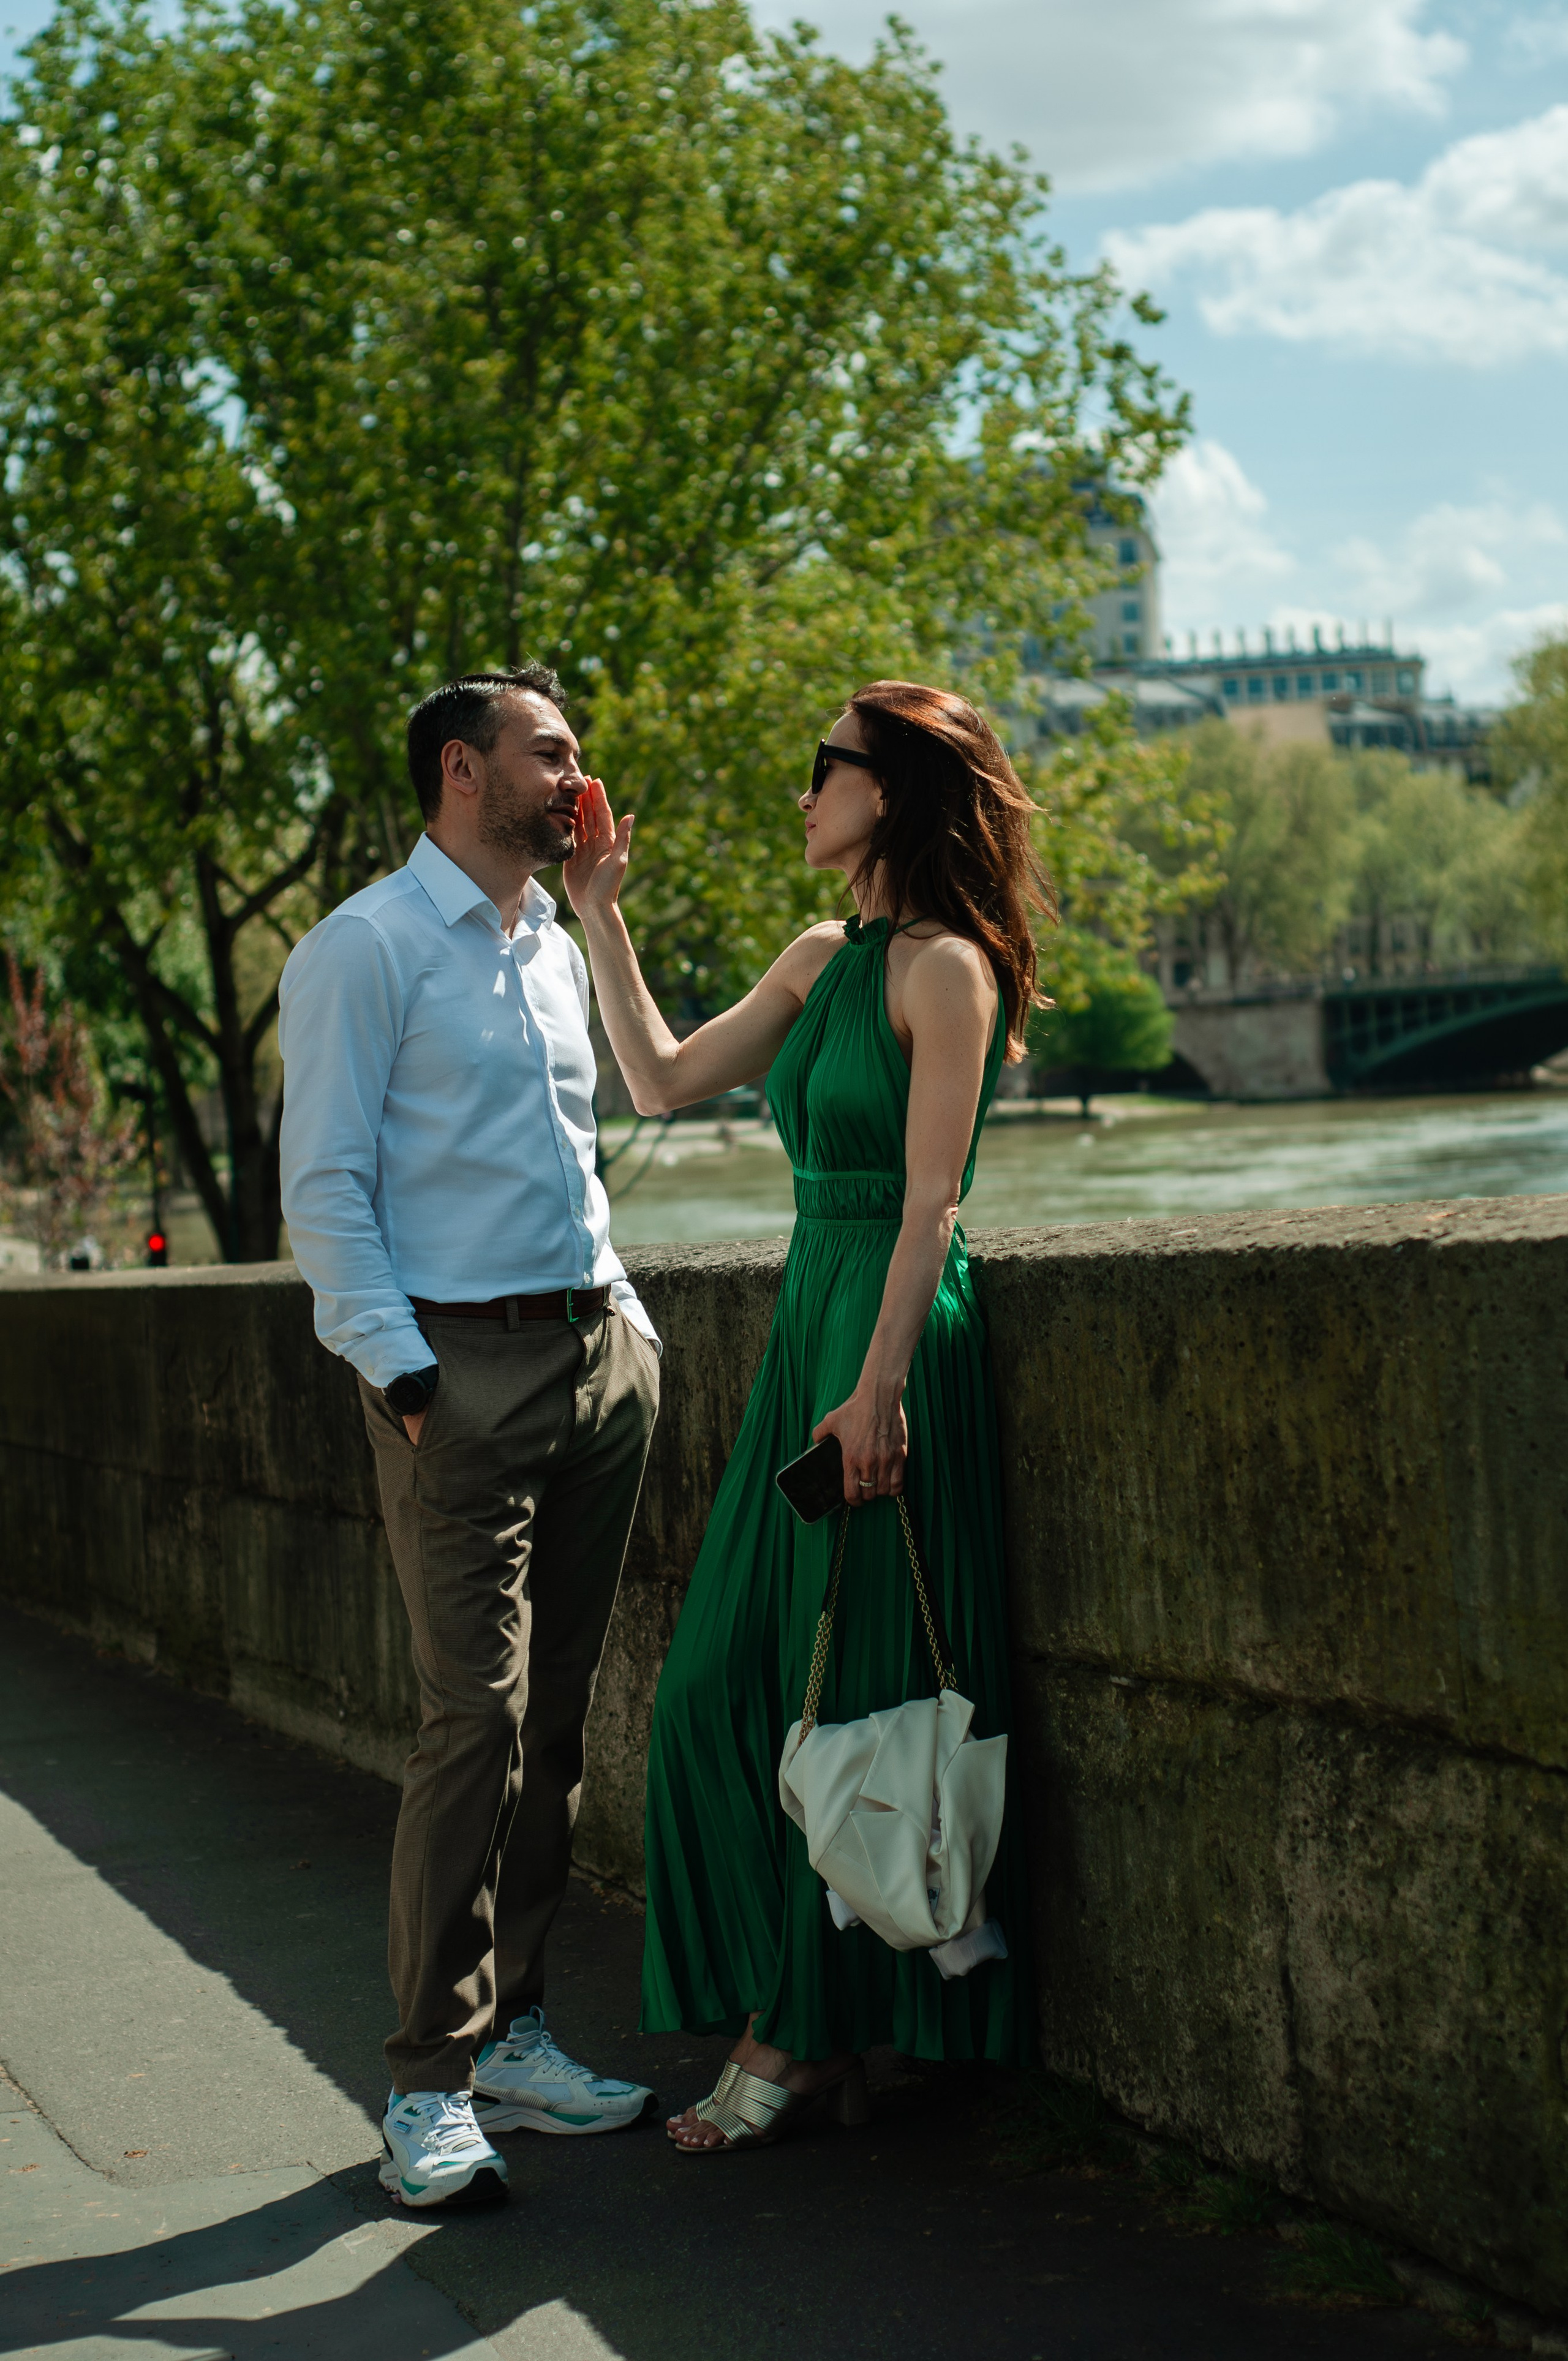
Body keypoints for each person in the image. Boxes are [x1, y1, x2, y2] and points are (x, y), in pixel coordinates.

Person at [568, 678, 1052, 2152]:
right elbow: (653, 1080)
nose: (803, 792)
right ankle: (823, 2011)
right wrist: (598, 906)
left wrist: (879, 1384)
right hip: (810, 1318)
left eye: (822, 766)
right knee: (723, 1681)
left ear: (893, 790)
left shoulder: (944, 969)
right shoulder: (819, 952)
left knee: (857, 1694)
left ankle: (798, 2029)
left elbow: (932, 1202)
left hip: (889, 1337)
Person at [277, 664, 662, 2208]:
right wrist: (406, 1376)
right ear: (462, 769)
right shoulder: (363, 947)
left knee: (555, 1724)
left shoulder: (553, 945)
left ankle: (517, 2034)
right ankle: (425, 2081)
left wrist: (625, 1320)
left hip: (590, 1359)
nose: (576, 773)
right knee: (471, 1727)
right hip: (457, 1374)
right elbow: (325, 1190)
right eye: (549, 751)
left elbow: (569, 1158)